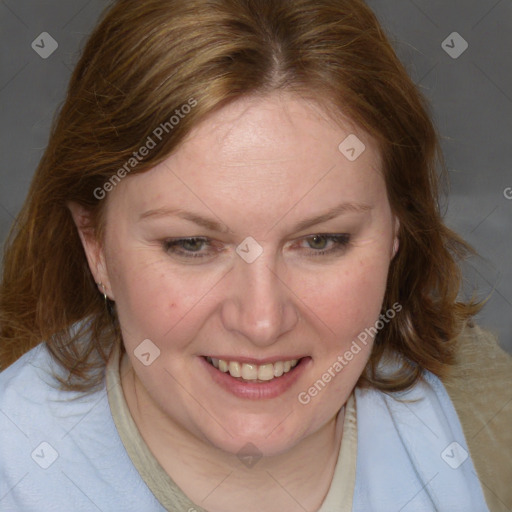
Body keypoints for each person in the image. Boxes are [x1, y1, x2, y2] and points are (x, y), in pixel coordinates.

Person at [0, 0, 510, 511]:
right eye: (192, 245)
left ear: (398, 228)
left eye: (320, 241)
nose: (262, 322)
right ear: (95, 245)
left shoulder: (485, 424)